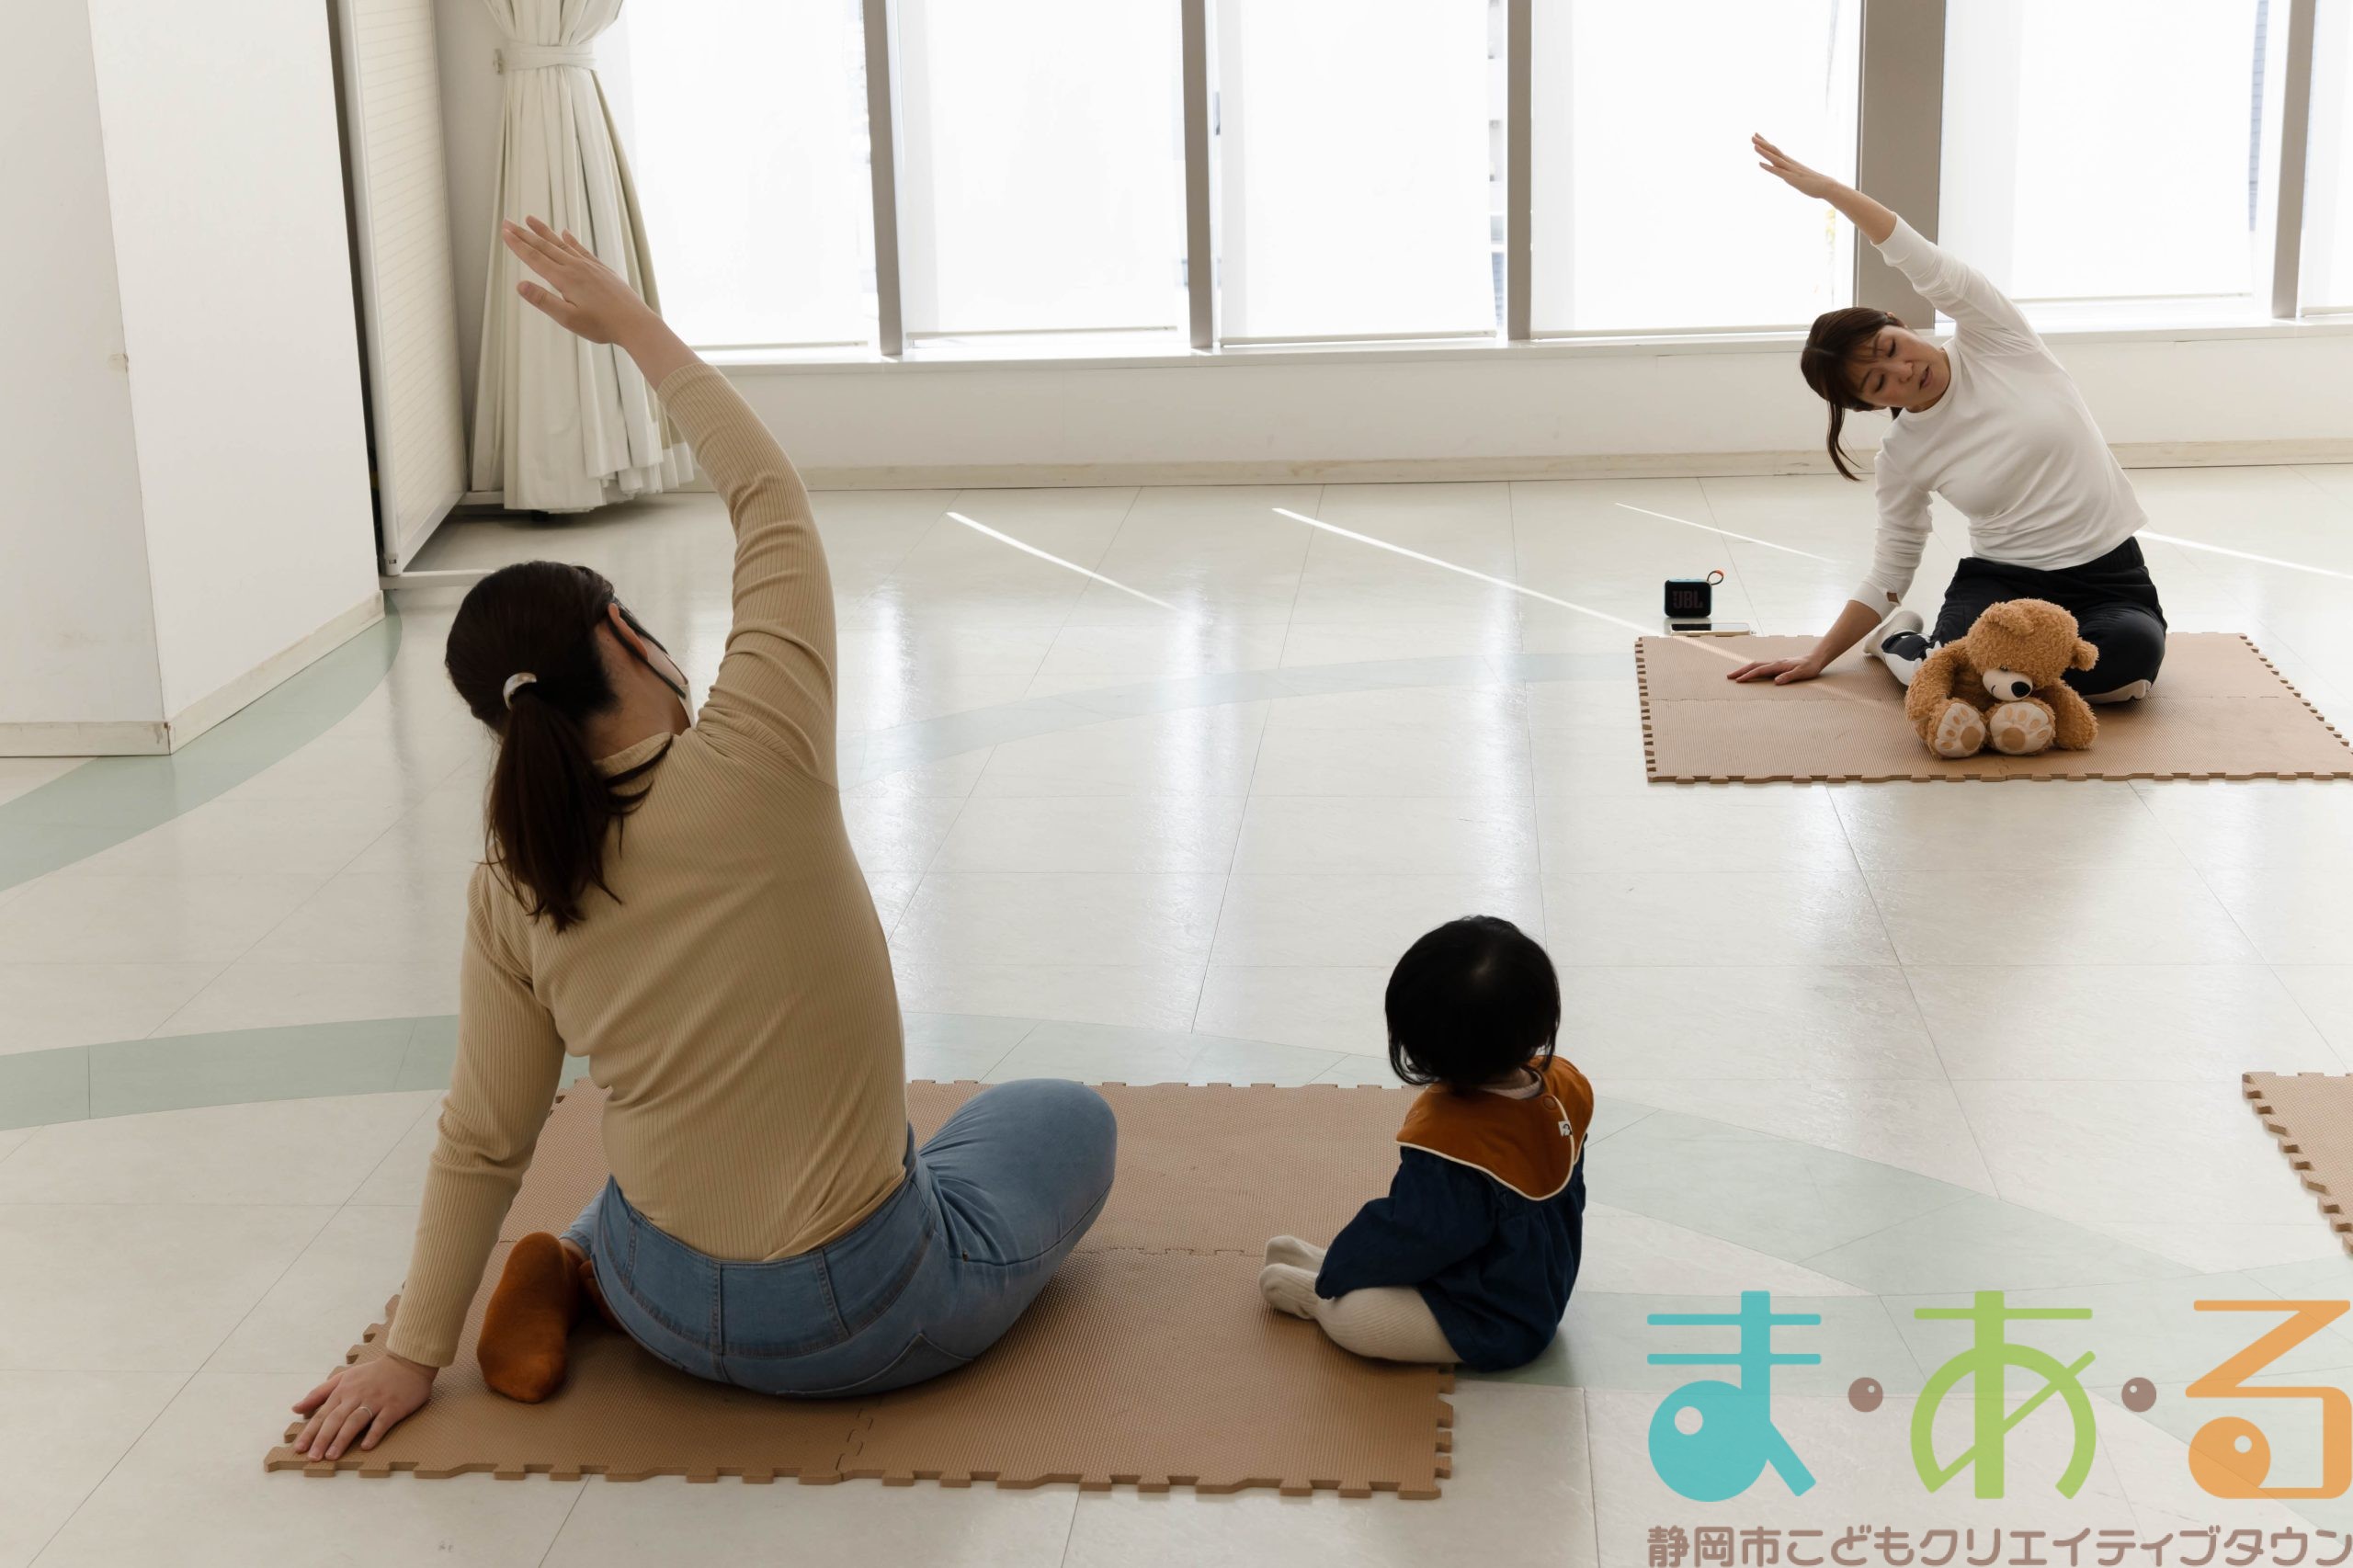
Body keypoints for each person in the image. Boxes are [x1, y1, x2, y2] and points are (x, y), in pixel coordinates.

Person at [291, 218, 1116, 1462]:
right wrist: (631, 325)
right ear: (626, 637)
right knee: (1060, 1115)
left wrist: (411, 1348)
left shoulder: (512, 879)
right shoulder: (758, 753)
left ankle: (582, 1261)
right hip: (861, 1318)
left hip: (667, 1305)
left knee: (663, 1131)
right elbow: (768, 498)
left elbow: (486, 1134)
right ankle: (587, 1255)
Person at [1727, 134, 2166, 705]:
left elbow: (1921, 260)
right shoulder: (1904, 453)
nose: (1904, 371)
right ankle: (1900, 643)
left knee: (2125, 668)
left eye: (1890, 347)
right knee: (1962, 681)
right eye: (1879, 383)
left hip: (2108, 576)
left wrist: (1831, 191)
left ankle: (1955, 665)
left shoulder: (1996, 339)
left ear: (1897, 320)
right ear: (1869, 405)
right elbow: (1892, 567)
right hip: (2002, 586)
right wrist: (1818, 656)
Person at [1257, 917, 1591, 1374]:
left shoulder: (1454, 1144)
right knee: (1393, 1256)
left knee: (1360, 1318)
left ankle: (1318, 1296)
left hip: (1497, 1322)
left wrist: (1338, 1276)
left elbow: (1409, 1235)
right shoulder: (1566, 1086)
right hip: (1540, 1281)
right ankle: (1331, 1266)